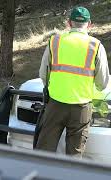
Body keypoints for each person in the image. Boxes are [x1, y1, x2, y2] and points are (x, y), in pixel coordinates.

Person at [36, 6, 110, 157]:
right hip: (81, 108)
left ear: (69, 23)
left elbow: (43, 74)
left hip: (55, 105)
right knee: (74, 156)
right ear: (89, 24)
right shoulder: (96, 46)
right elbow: (102, 83)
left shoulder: (54, 42)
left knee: (44, 151)